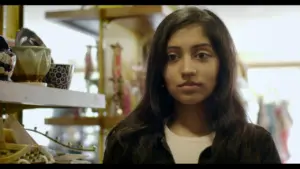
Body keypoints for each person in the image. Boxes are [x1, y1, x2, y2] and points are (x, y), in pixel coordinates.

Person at [103, 7, 281, 164]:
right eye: (172, 57)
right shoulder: (126, 142)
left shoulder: (255, 144)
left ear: (222, 65)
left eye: (202, 55)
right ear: (159, 69)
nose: (187, 69)